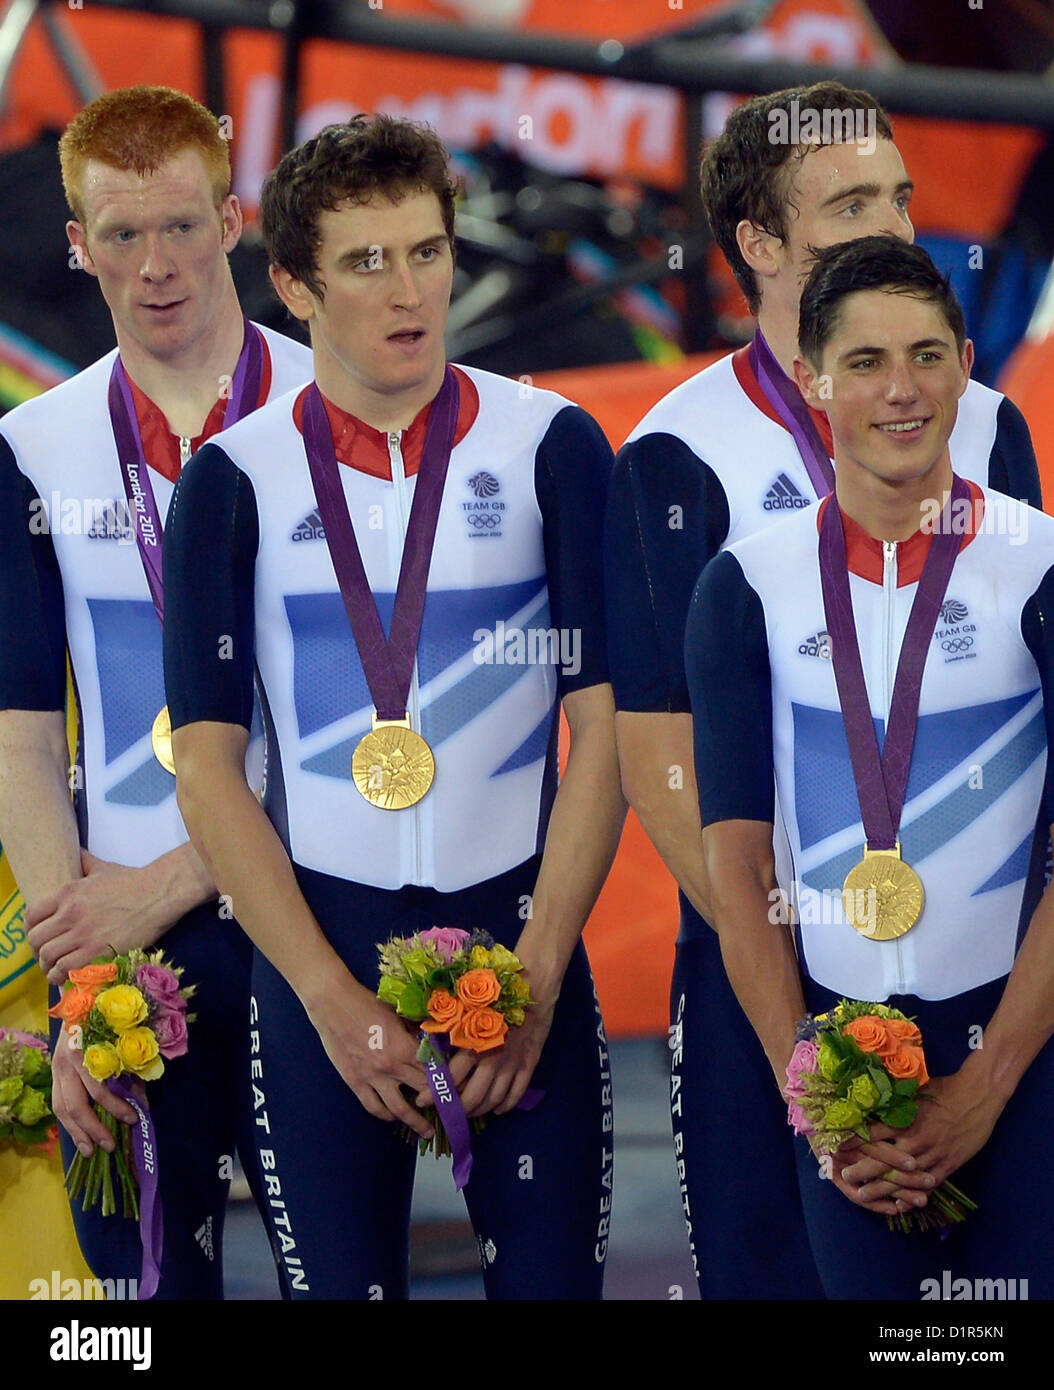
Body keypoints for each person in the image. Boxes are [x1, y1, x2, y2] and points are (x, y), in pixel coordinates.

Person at [162, 114, 624, 1300]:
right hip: (321, 961)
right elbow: (208, 768)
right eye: (366, 262)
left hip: (521, 944)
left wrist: (541, 967)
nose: (406, 290)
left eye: (427, 252)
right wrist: (325, 996)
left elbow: (607, 730)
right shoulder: (231, 478)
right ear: (293, 285)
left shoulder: (551, 443)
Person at [604, 80, 1042, 1299]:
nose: (894, 227)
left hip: (982, 969)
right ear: (757, 245)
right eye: (851, 204)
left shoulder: (990, 422)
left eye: (898, 197)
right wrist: (807, 991)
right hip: (775, 983)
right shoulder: (673, 453)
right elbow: (655, 754)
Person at [686, 234, 1054, 1299]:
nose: (903, 391)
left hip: (1022, 1054)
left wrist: (985, 1086)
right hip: (841, 1075)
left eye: (929, 356)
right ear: (810, 381)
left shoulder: (1038, 566)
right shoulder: (745, 587)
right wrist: (809, 1087)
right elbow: (736, 855)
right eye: (864, 362)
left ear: (968, 364)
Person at [0, 85, 311, 1298]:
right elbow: (22, 733)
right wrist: (82, 952)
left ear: (232, 219)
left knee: (340, 1272)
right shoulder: (33, 449)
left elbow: (376, 715)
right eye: (120, 235)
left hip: (306, 924)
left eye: (182, 226)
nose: (157, 265)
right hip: (126, 957)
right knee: (132, 1305)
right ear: (77, 245)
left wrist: (181, 878)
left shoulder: (328, 413)